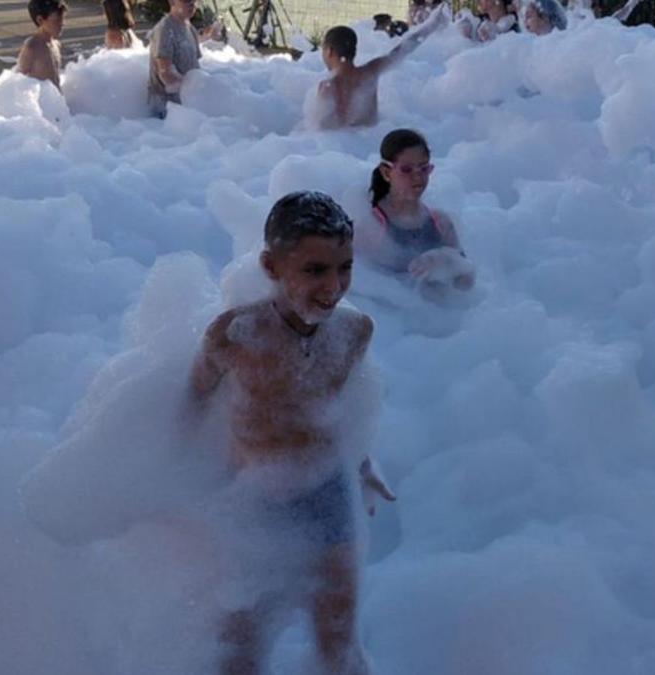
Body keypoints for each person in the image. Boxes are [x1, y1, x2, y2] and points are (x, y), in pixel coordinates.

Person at [190, 191, 396, 675]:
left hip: (327, 489)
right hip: (255, 496)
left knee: (339, 636)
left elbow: (343, 411)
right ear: (270, 265)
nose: (334, 285)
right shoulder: (236, 335)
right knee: (242, 641)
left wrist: (364, 464)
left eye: (345, 267)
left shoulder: (354, 332)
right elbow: (192, 405)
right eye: (315, 270)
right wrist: (178, 483)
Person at [360, 129, 475, 291]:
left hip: (435, 313)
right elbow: (364, 285)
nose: (418, 177)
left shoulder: (440, 222)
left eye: (424, 168)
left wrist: (446, 261)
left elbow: (466, 285)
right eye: (406, 169)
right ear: (386, 172)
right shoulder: (372, 226)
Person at [315, 10, 448, 129]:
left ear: (330, 51)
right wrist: (431, 25)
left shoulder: (329, 85)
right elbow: (402, 50)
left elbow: (321, 129)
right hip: (371, 143)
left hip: (342, 150)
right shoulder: (370, 72)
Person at [148, 0, 202, 117]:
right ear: (172, 2)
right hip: (165, 110)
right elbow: (166, 74)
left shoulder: (190, 29)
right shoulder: (165, 29)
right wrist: (194, 91)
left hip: (185, 105)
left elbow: (196, 68)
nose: (192, 3)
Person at [16, 0, 66, 90]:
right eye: (57, 20)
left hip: (56, 101)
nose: (62, 24)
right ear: (40, 20)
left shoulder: (56, 44)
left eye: (62, 19)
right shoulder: (31, 47)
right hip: (42, 102)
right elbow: (17, 81)